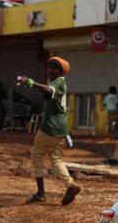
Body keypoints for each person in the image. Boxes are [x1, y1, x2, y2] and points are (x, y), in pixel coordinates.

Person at [18, 57, 82, 206]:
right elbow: (48, 93)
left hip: (49, 128)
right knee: (56, 159)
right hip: (60, 129)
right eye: (49, 67)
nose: (50, 70)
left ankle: (41, 193)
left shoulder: (58, 83)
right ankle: (71, 185)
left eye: (54, 68)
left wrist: (30, 82)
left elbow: (48, 90)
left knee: (37, 156)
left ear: (60, 72)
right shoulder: (58, 83)